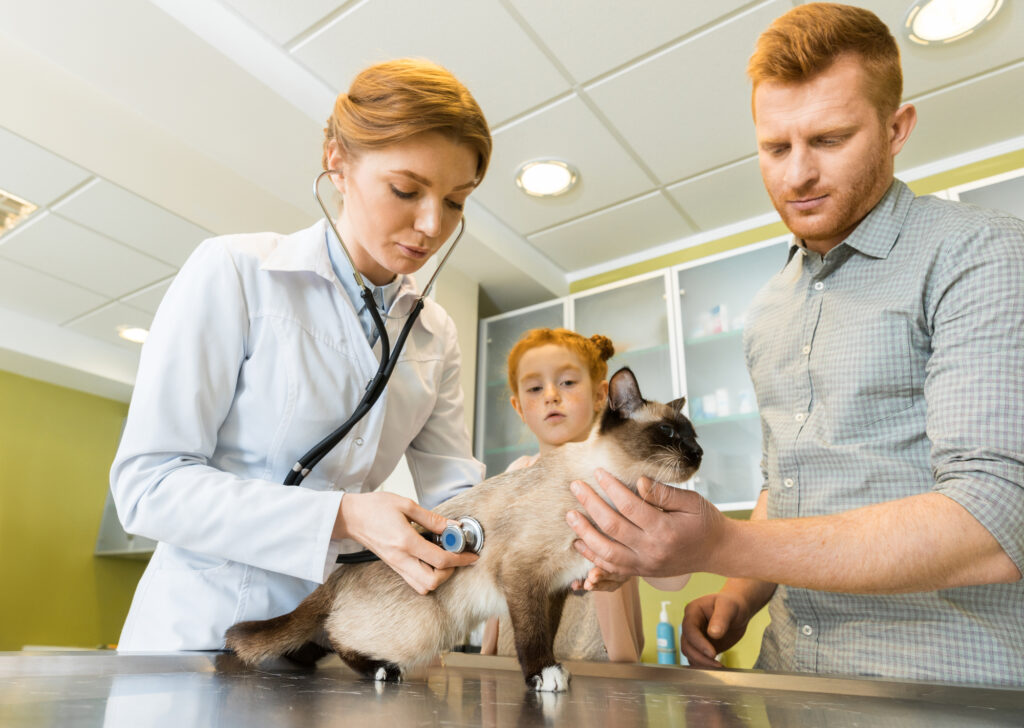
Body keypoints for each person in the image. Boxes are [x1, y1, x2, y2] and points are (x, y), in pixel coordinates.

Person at [564, 2, 1024, 687]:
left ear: (897, 129)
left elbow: (995, 519)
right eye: (775, 147)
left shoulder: (978, 254)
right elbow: (788, 484)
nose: (797, 174)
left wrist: (727, 543)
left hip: (943, 687)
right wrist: (740, 592)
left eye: (830, 139)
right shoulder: (769, 310)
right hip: (787, 679)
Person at [109, 59, 492, 651]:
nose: (431, 224)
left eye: (457, 201)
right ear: (336, 160)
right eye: (406, 190)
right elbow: (148, 486)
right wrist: (344, 516)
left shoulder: (434, 332)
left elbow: (453, 498)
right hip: (197, 637)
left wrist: (513, 513)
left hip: (335, 642)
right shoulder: (236, 273)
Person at [480, 328, 688, 662]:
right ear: (520, 407)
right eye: (535, 388)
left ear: (600, 395)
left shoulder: (627, 478)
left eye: (567, 383)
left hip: (604, 681)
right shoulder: (515, 477)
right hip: (512, 673)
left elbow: (676, 579)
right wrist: (486, 655)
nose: (550, 395)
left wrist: (628, 556)